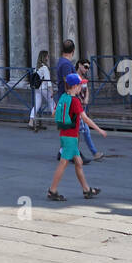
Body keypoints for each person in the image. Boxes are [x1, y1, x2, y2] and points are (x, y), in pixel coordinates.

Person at [46, 73, 107, 201]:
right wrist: (99, 129)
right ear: (75, 86)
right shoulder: (75, 101)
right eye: (80, 84)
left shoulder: (63, 97)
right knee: (63, 163)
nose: (82, 86)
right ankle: (52, 190)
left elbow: (53, 114)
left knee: (78, 163)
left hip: (64, 134)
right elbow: (85, 118)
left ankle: (86, 190)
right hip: (71, 138)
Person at [29, 49, 54, 132]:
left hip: (37, 88)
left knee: (37, 104)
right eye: (47, 56)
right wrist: (51, 90)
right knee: (52, 102)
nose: (48, 57)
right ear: (44, 57)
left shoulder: (37, 68)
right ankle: (59, 120)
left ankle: (31, 120)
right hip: (44, 88)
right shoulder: (45, 68)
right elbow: (48, 80)